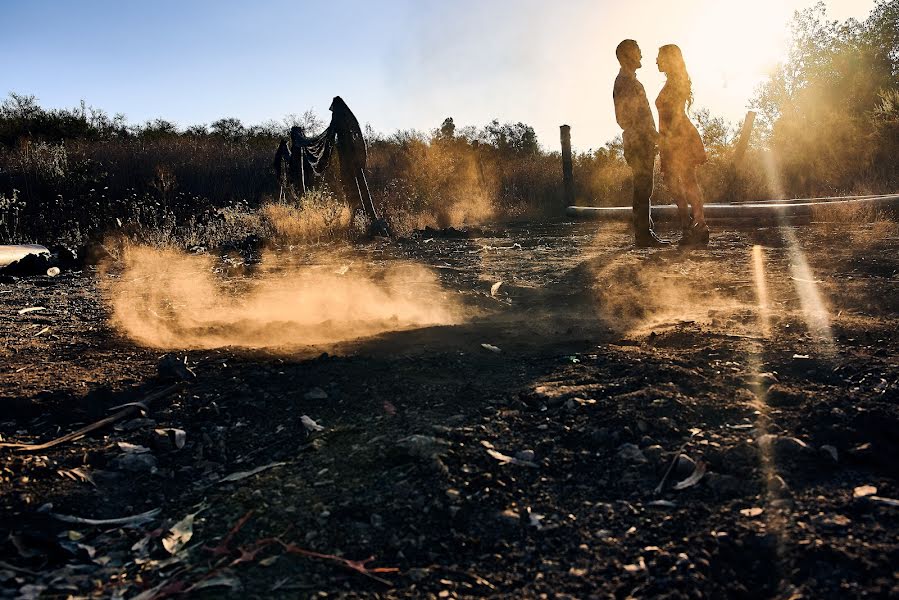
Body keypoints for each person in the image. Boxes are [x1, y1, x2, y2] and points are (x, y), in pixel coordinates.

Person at [613, 39, 670, 248]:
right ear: (628, 56)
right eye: (638, 52)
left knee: (644, 188)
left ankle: (645, 232)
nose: (642, 56)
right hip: (638, 142)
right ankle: (643, 235)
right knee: (643, 188)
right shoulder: (625, 82)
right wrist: (652, 135)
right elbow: (626, 118)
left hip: (640, 141)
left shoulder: (629, 81)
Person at [655, 44, 708, 246]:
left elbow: (675, 116)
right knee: (677, 182)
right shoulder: (672, 81)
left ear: (670, 59)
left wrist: (670, 141)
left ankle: (698, 226)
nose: (656, 61)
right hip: (671, 138)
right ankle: (690, 226)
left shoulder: (676, 82)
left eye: (660, 57)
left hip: (678, 137)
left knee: (686, 181)